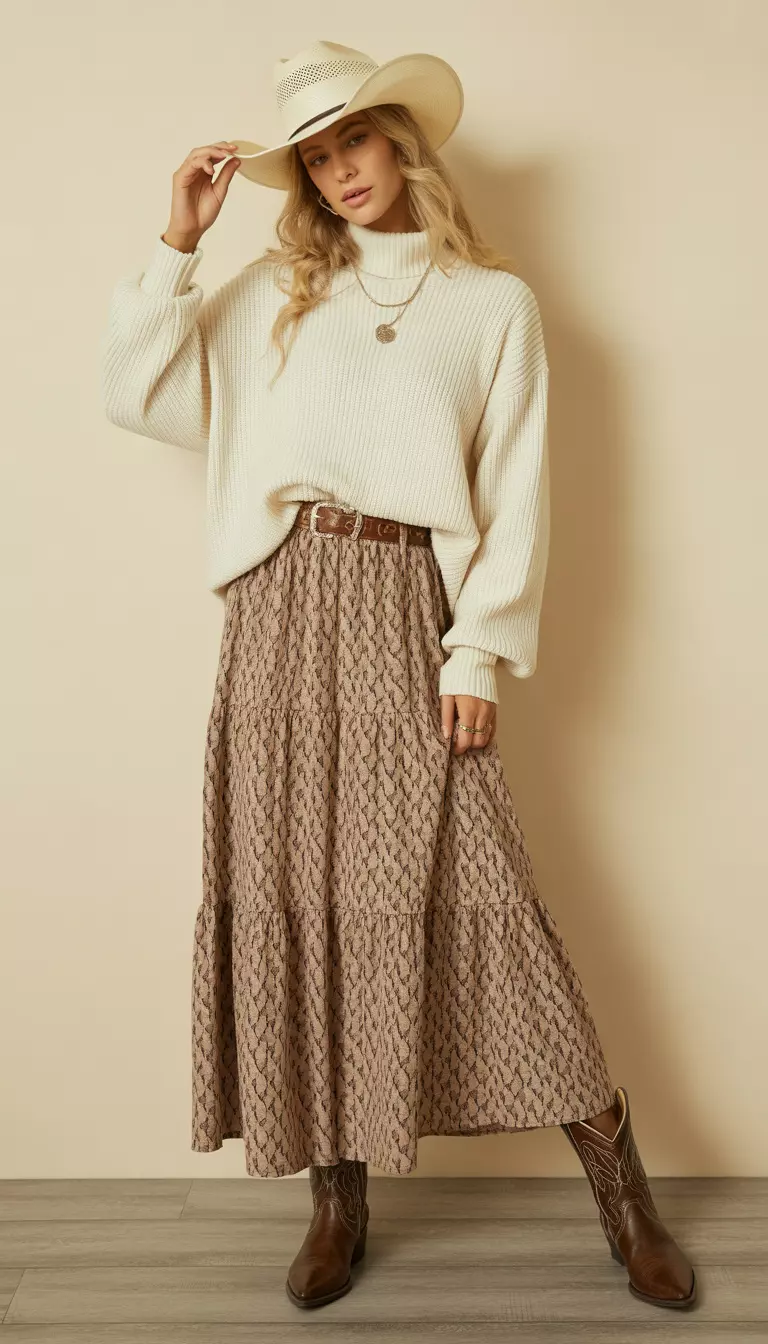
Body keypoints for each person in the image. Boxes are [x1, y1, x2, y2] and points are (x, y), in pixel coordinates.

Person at [101, 38, 696, 1315]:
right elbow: (133, 389)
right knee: (300, 899)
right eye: (313, 157)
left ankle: (625, 1198)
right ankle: (336, 1201)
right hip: (272, 610)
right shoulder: (271, 294)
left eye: (351, 142)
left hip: (401, 607)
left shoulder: (495, 307)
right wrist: (179, 242)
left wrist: (475, 643)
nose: (336, 170)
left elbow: (515, 495)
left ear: (399, 143)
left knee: (483, 886)